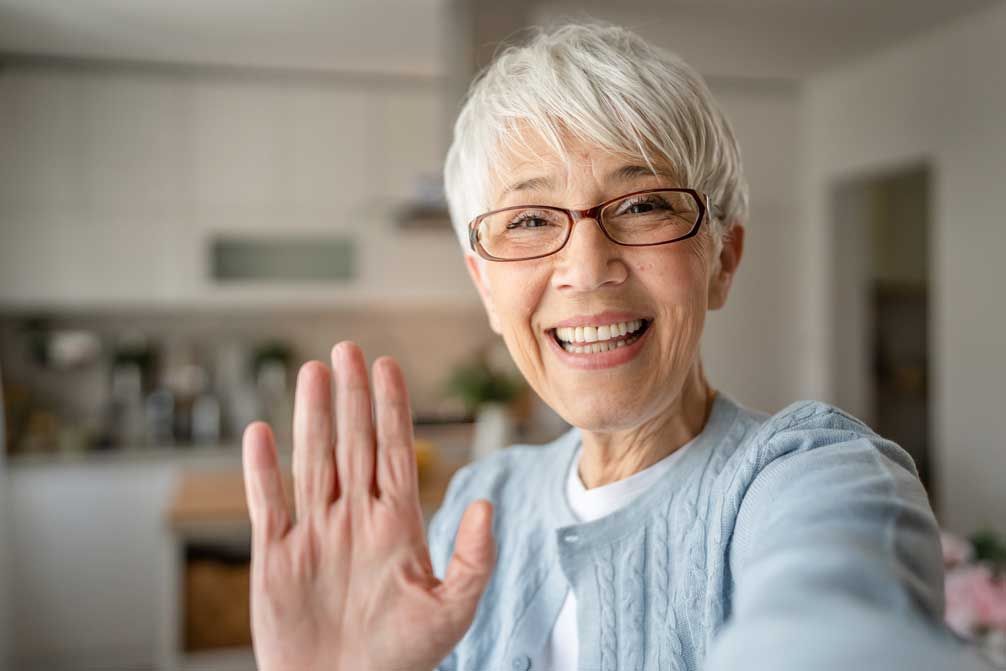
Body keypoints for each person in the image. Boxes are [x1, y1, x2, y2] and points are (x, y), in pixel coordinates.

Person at [240, 23, 989, 671]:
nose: (587, 267)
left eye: (643, 204)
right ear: (485, 286)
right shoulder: (478, 504)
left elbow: (836, 622)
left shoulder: (812, 476)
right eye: (529, 219)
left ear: (722, 259)